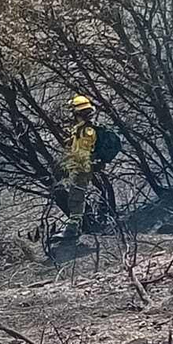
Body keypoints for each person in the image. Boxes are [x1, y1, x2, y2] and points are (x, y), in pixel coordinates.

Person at [63, 94, 99, 241]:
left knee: (76, 197)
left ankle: (73, 229)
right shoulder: (79, 129)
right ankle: (75, 227)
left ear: (78, 113)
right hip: (77, 167)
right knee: (74, 196)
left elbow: (84, 152)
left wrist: (82, 168)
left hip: (82, 169)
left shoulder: (86, 131)